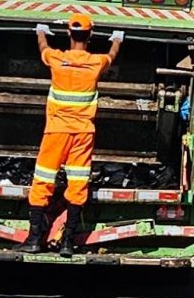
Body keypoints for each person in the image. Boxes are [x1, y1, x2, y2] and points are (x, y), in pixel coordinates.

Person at [19, 14, 123, 257]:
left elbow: (43, 49)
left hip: (56, 131)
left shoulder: (56, 59)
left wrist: (41, 32)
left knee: (43, 181)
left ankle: (34, 239)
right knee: (78, 185)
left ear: (68, 33)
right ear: (91, 35)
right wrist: (117, 38)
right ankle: (67, 242)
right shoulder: (96, 63)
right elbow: (112, 56)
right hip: (82, 134)